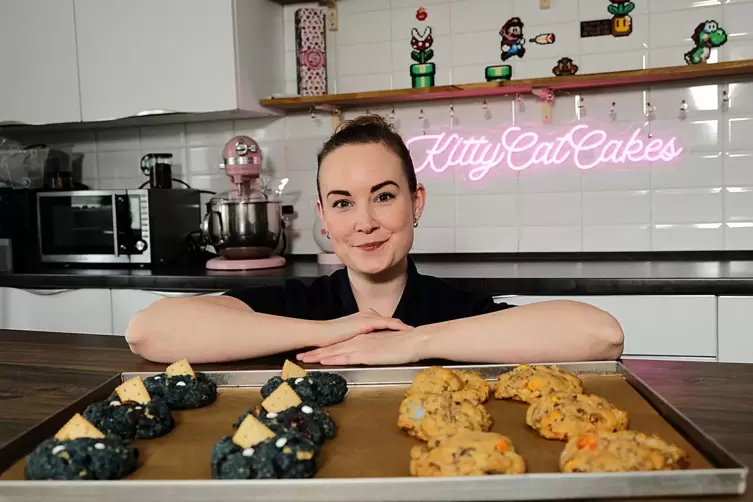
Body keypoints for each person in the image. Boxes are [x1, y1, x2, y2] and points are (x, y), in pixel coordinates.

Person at [126, 115, 624, 366]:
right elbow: (148, 332)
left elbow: (600, 335)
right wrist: (326, 332)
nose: (364, 222)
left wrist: (413, 342)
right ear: (323, 216)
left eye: (383, 197)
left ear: (416, 202)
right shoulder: (297, 306)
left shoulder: (454, 310)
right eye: (343, 203)